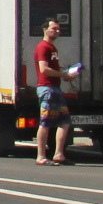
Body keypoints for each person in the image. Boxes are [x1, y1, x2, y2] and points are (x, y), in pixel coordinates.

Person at [34, 18, 79, 165]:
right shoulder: (43, 47)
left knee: (65, 121)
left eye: (58, 29)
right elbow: (44, 69)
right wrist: (63, 75)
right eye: (54, 29)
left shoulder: (52, 48)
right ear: (45, 30)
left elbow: (53, 69)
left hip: (55, 89)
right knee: (45, 122)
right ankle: (40, 156)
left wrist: (66, 75)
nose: (57, 31)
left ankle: (59, 154)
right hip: (47, 88)